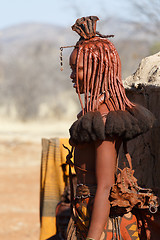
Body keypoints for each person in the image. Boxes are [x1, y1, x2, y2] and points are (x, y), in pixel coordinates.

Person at [64, 16, 156, 240]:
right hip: (86, 212)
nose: (72, 76)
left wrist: (93, 238)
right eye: (71, 69)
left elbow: (105, 187)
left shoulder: (104, 121)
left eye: (78, 69)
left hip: (101, 223)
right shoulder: (93, 115)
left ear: (100, 69)